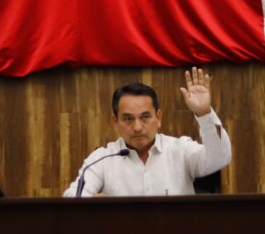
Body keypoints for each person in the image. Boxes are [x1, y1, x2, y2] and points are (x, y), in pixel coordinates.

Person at [63, 67, 230, 197]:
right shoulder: (103, 158)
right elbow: (72, 198)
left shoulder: (180, 150)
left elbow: (220, 158)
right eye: (128, 119)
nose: (137, 127)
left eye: (145, 117)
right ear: (115, 122)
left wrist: (204, 114)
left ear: (158, 117)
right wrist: (92, 205)